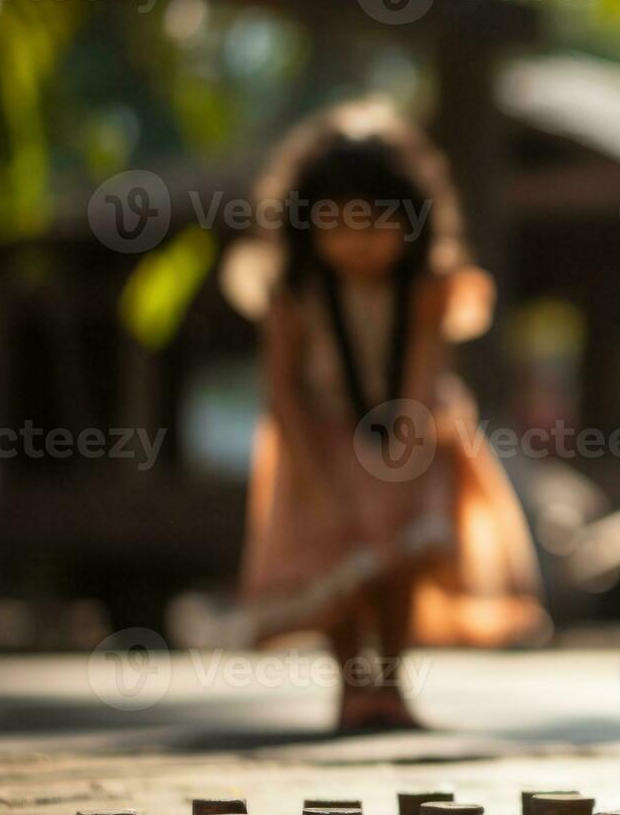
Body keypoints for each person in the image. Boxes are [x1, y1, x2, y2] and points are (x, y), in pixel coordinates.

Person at [225, 100, 547, 732]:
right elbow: (283, 390)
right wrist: (318, 477)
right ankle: (352, 691)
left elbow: (422, 381)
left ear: (412, 224)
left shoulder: (430, 287)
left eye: (375, 225)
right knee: (340, 566)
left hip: (412, 436)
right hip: (316, 440)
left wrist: (402, 465)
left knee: (400, 557)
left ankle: (392, 687)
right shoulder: (293, 292)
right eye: (338, 225)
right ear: (306, 225)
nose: (358, 242)